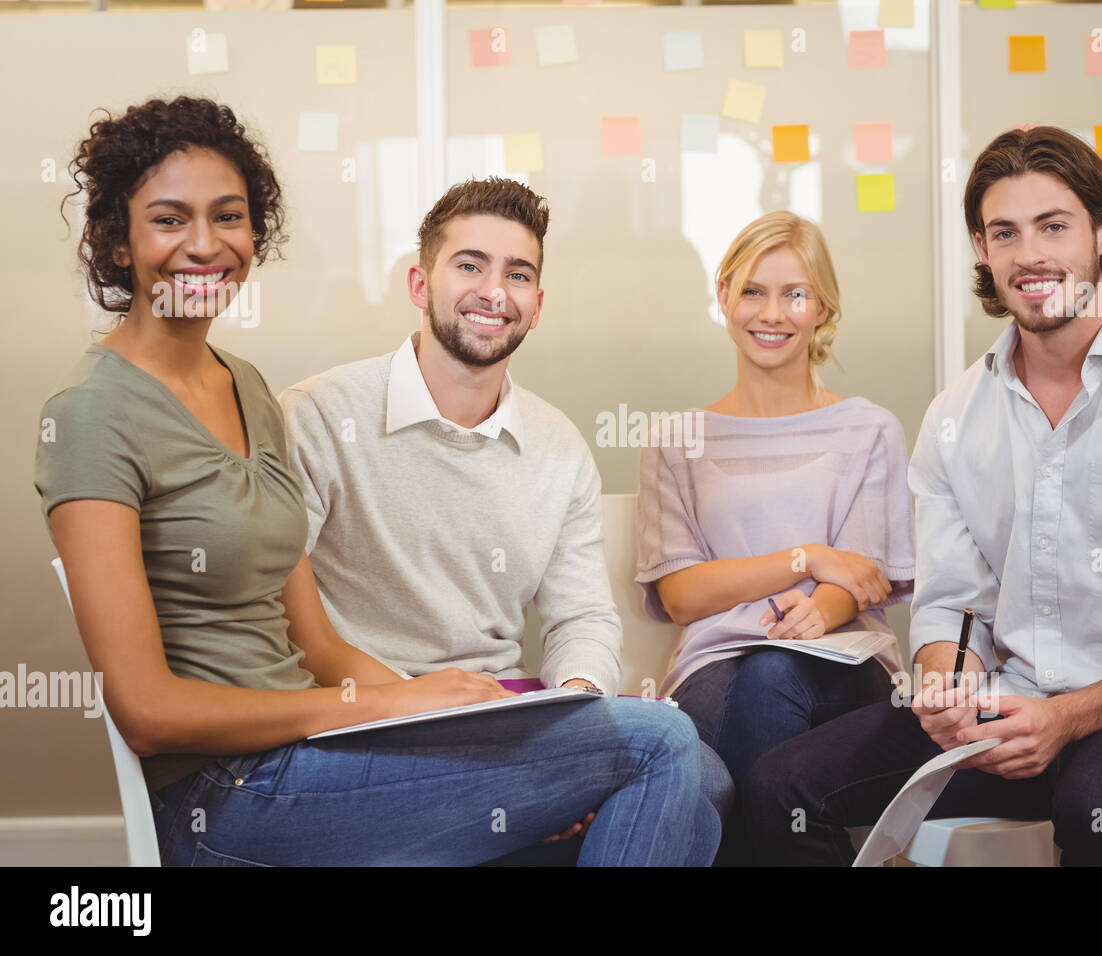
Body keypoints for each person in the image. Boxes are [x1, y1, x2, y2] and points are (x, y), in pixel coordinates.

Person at [34, 96, 718, 867]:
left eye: (227, 216)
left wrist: (431, 710)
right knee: (663, 747)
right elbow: (146, 711)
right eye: (168, 218)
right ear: (117, 242)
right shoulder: (91, 414)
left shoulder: (244, 386)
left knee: (694, 780)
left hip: (317, 754)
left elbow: (317, 641)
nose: (204, 243)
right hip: (226, 795)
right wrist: (387, 702)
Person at [743, 126, 1102, 866]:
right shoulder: (956, 417)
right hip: (1008, 706)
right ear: (984, 253)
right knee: (781, 785)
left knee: (1095, 810)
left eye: (1053, 226)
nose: (1030, 255)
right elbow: (952, 605)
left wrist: (1067, 716)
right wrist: (949, 681)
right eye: (1004, 233)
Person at [277, 174, 728, 862]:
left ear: (537, 305)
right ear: (419, 285)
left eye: (517, 274)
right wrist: (422, 704)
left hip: (502, 725)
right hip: (364, 730)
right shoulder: (317, 415)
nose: (494, 292)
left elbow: (582, 618)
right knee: (680, 777)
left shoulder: (556, 446)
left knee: (710, 782)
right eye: (469, 266)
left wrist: (576, 715)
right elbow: (277, 616)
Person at [635, 211, 916, 862]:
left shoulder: (869, 430)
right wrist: (807, 559)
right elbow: (682, 595)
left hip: (847, 664)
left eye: (795, 294)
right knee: (759, 685)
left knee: (772, 675)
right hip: (712, 668)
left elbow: (865, 577)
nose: (773, 312)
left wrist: (821, 607)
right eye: (753, 290)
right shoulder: (675, 442)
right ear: (724, 295)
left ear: (822, 307)